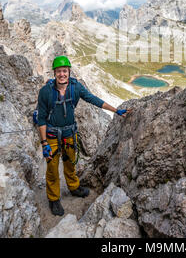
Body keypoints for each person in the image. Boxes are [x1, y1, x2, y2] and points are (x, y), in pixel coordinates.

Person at [37, 55, 132, 216]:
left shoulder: (76, 87)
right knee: (52, 169)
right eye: (59, 71)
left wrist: (116, 110)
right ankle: (53, 199)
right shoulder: (45, 92)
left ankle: (74, 187)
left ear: (69, 72)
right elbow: (41, 119)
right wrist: (44, 143)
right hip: (52, 135)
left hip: (69, 134)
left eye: (65, 71)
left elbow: (93, 99)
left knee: (70, 163)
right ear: (54, 73)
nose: (62, 74)